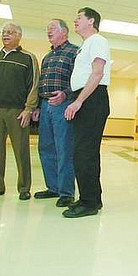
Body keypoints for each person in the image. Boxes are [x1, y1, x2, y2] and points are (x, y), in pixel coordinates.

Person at [0, 22, 39, 201]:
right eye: (4, 32)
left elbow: (33, 85)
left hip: (17, 112)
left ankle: (24, 187)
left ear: (19, 36)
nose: (6, 35)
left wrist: (29, 108)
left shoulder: (28, 58)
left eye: (10, 32)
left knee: (21, 151)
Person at [62, 7, 110, 218]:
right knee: (85, 153)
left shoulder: (98, 40)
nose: (75, 20)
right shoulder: (86, 45)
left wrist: (79, 101)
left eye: (79, 17)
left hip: (91, 99)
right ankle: (91, 198)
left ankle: (89, 203)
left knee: (84, 153)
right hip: (86, 97)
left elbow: (97, 73)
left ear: (91, 21)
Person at [31, 18, 79, 207]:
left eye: (52, 28)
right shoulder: (47, 57)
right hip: (45, 105)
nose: (48, 31)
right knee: (46, 147)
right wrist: (36, 106)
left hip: (63, 105)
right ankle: (53, 188)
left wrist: (65, 94)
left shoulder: (74, 52)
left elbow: (78, 81)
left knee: (64, 149)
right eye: (47, 28)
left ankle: (66, 192)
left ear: (64, 32)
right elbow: (41, 82)